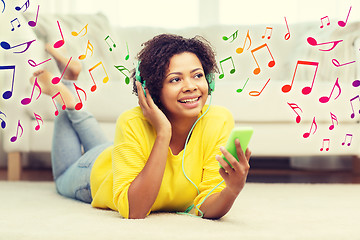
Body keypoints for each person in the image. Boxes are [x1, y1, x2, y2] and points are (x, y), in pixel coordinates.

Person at [33, 34, 251, 219]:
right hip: (97, 169)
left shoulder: (219, 120)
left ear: (209, 80)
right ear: (151, 89)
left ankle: (70, 79)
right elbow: (135, 210)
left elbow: (206, 203)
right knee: (62, 181)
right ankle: (68, 101)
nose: (191, 86)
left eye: (198, 75)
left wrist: (231, 190)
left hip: (121, 152)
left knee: (110, 145)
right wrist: (163, 132)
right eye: (175, 80)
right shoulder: (132, 122)